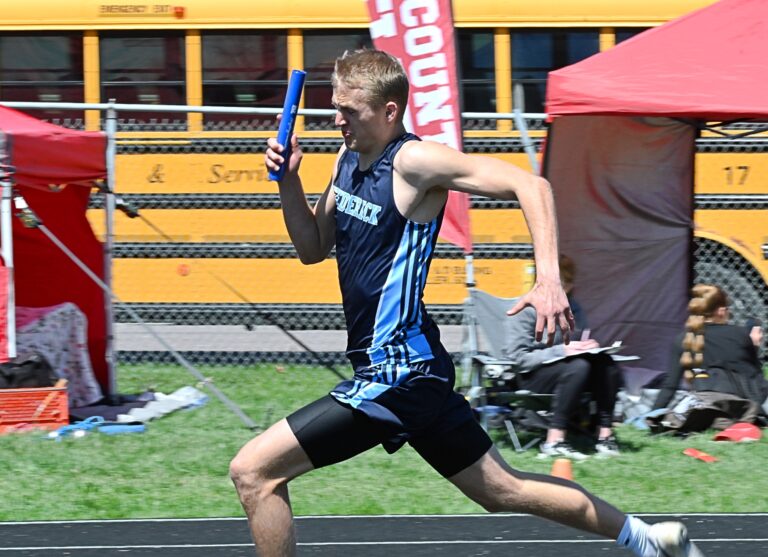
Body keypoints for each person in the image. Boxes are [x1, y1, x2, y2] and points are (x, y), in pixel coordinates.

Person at [230, 49, 704, 557]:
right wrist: (289, 181)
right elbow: (311, 248)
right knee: (501, 490)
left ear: (390, 111)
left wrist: (548, 278)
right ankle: (647, 539)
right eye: (334, 107)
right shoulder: (347, 161)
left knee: (254, 471)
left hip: (399, 373)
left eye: (349, 110)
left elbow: (531, 184)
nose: (336, 118)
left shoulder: (414, 162)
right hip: (409, 369)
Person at [504, 255, 623, 460]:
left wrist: (587, 346)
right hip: (531, 377)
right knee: (578, 367)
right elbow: (518, 359)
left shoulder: (573, 308)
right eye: (561, 285)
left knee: (606, 364)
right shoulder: (526, 311)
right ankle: (554, 439)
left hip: (569, 371)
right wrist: (563, 351)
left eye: (567, 285)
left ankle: (605, 436)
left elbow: (579, 341)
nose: (565, 290)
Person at [652, 283, 768, 412]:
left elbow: (670, 386)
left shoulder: (683, 339)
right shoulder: (739, 335)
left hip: (702, 409)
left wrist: (652, 414)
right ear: (721, 311)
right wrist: (754, 347)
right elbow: (757, 384)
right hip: (740, 409)